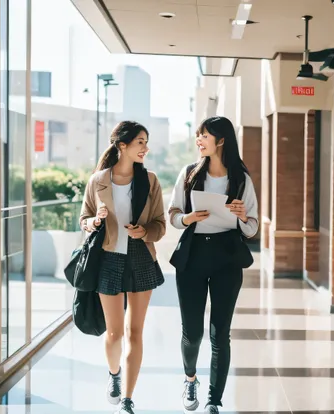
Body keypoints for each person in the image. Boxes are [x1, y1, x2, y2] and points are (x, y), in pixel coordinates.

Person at [168, 116, 258, 413]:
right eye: (198, 135)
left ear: (221, 140)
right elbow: (173, 215)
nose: (199, 140)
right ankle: (190, 378)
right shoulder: (190, 173)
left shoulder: (241, 178)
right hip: (192, 257)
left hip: (226, 258)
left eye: (204, 135)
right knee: (192, 332)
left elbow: (253, 227)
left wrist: (243, 216)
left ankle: (214, 400)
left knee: (221, 333)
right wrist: (188, 219)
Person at [79, 121, 166, 414]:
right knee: (114, 333)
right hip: (108, 258)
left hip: (141, 257)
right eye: (140, 142)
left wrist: (146, 232)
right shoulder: (98, 181)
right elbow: (84, 220)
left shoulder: (150, 181)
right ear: (122, 146)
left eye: (146, 142)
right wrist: (94, 222)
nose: (146, 148)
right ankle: (114, 374)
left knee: (135, 332)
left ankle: (128, 399)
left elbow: (160, 225)